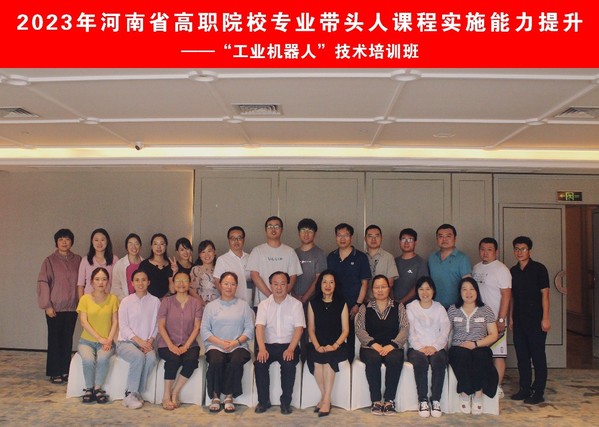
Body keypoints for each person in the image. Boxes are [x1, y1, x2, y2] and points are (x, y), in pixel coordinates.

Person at [201, 272, 255, 413]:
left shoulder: (243, 306)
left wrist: (235, 342)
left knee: (236, 360)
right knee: (216, 360)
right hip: (215, 345)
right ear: (219, 285)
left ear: (236, 286)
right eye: (226, 283)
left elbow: (249, 329)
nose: (229, 287)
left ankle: (229, 396)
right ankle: (215, 396)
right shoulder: (210, 306)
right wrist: (220, 343)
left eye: (232, 284)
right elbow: (205, 330)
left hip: (238, 345)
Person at [355, 275, 409, 416]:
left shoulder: (398, 306)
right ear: (372, 290)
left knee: (394, 359)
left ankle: (389, 401)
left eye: (383, 287)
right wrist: (373, 344)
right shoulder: (365, 307)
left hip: (392, 347)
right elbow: (359, 329)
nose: (380, 290)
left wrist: (393, 345)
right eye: (376, 287)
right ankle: (376, 401)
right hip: (370, 347)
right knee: (373, 359)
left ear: (389, 288)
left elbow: (404, 328)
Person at [254, 271, 305, 415]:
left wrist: (291, 349)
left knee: (288, 364)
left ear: (288, 285)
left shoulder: (296, 304)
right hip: (268, 345)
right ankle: (263, 401)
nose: (279, 287)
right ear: (270, 285)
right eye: (275, 284)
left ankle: (285, 403)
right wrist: (262, 348)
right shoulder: (264, 305)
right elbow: (259, 327)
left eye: (282, 284)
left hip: (289, 345)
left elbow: (299, 329)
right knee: (260, 364)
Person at [447, 277, 499, 415]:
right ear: (460, 292)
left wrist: (475, 344)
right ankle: (465, 392)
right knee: (461, 355)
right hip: (458, 347)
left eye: (472, 289)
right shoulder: (453, 309)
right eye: (464, 289)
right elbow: (445, 332)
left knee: (480, 356)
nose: (468, 292)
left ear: (477, 291)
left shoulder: (486, 309)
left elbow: (493, 334)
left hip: (480, 346)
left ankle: (478, 394)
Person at [37, 228, 82, 384]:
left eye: (67, 239)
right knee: (55, 340)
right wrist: (47, 305)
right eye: (61, 239)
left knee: (67, 340)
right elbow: (43, 283)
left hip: (72, 308)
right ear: (56, 242)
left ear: (71, 242)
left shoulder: (78, 260)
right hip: (54, 308)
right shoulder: (49, 261)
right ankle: (55, 372)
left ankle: (65, 370)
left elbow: (82, 282)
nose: (64, 242)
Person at [510, 236, 551, 405]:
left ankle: (538, 391)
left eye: (523, 249)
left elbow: (545, 295)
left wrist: (546, 318)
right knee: (522, 356)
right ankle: (524, 388)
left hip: (536, 320)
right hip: (519, 320)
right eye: (517, 249)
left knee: (538, 356)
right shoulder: (512, 271)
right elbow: (512, 297)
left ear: (530, 251)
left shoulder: (539, 269)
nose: (519, 252)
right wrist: (511, 317)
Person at [472, 237, 512, 398]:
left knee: (498, 354)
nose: (485, 252)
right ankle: (483, 384)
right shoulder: (476, 268)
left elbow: (507, 295)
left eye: (489, 249)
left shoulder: (501, 269)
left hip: (496, 319)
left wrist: (501, 319)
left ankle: (497, 386)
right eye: (482, 249)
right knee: (482, 353)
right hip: (478, 319)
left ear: (496, 251)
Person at [157, 271, 203, 410]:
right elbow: (161, 326)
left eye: (184, 281)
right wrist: (171, 345)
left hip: (190, 344)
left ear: (189, 283)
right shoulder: (166, 302)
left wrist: (186, 346)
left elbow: (197, 327)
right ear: (173, 283)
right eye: (177, 281)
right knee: (174, 359)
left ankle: (175, 392)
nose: (181, 284)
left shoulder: (196, 303)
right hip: (166, 344)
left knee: (191, 360)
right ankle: (166, 395)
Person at [306, 270, 349, 417]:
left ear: (335, 285)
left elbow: (345, 330)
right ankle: (326, 398)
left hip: (337, 345)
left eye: (331, 282)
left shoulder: (342, 303)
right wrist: (317, 346)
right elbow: (311, 329)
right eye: (324, 282)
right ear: (320, 284)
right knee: (317, 361)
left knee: (329, 359)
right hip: (317, 344)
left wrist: (335, 345)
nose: (328, 285)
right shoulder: (313, 303)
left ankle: (325, 400)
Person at [406, 276, 450, 418]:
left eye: (428, 289)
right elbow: (410, 331)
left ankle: (436, 400)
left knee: (440, 361)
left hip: (436, 347)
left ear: (433, 291)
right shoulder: (411, 307)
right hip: (416, 348)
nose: (425, 292)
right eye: (421, 289)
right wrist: (420, 347)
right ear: (417, 291)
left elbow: (445, 330)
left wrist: (435, 347)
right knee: (420, 362)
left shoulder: (439, 308)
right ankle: (423, 400)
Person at [117, 269, 161, 409]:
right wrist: (140, 341)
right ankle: (131, 394)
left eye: (143, 280)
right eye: (137, 280)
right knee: (138, 357)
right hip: (126, 342)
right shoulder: (126, 301)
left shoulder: (155, 301)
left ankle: (134, 393)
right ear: (132, 283)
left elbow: (157, 325)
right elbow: (123, 326)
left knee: (152, 358)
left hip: (147, 343)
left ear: (148, 282)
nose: (140, 283)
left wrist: (150, 341)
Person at [326, 223, 371, 362]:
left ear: (351, 237)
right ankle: (336, 364)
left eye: (346, 235)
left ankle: (350, 363)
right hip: (334, 305)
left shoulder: (361, 257)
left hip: (353, 306)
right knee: (334, 335)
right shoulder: (331, 257)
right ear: (335, 237)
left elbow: (365, 284)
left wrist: (358, 304)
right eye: (339, 235)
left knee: (351, 337)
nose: (342, 238)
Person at [76, 267, 119, 404]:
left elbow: (115, 321)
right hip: (86, 341)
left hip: (107, 341)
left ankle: (97, 388)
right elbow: (84, 322)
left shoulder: (113, 299)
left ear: (108, 282)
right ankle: (89, 388)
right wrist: (99, 338)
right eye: (97, 279)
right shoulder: (85, 299)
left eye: (104, 279)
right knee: (88, 360)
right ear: (91, 282)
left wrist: (109, 340)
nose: (101, 282)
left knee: (103, 359)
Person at [247, 216, 303, 307]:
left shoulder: (290, 251)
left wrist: (281, 296)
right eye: (270, 226)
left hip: (285, 303)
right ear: (265, 230)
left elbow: (293, 276)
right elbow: (254, 275)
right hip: (263, 302)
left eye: (277, 226)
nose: (273, 229)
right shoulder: (257, 250)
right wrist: (271, 296)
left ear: (282, 230)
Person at [428, 224, 472, 309]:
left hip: (456, 308)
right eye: (441, 236)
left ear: (455, 239)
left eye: (448, 236)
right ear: (437, 239)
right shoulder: (432, 257)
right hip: (434, 308)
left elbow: (468, 285)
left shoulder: (462, 258)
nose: (444, 239)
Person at [213, 226, 252, 305]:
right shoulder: (222, 260)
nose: (236, 241)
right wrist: (228, 300)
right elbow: (217, 283)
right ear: (228, 240)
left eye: (239, 238)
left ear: (243, 240)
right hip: (231, 304)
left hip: (249, 304)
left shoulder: (250, 258)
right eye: (232, 238)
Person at [294, 218, 327, 304]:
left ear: (315, 234)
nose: (306, 234)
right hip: (293, 300)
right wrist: (294, 296)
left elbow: (319, 278)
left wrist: (304, 298)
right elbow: (288, 277)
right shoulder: (293, 253)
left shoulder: (320, 253)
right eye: (303, 230)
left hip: (313, 300)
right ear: (298, 233)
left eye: (310, 231)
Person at [77, 228, 119, 298]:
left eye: (102, 240)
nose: (99, 243)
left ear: (107, 241)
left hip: (108, 300)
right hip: (89, 301)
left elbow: (117, 283)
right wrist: (82, 302)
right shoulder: (85, 260)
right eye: (96, 240)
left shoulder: (114, 259)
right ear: (92, 242)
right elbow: (80, 285)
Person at [394, 228, 429, 305]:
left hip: (413, 306)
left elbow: (419, 285)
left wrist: (401, 302)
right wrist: (393, 301)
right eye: (403, 239)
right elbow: (389, 283)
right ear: (399, 242)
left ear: (415, 242)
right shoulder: (394, 261)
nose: (406, 243)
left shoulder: (421, 262)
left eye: (410, 240)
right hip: (393, 305)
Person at [364, 225, 399, 301]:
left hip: (382, 301)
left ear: (382, 238)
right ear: (365, 239)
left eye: (377, 236)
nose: (373, 239)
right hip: (363, 301)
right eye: (370, 236)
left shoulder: (388, 257)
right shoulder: (360, 257)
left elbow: (390, 283)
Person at [138, 233, 174, 299]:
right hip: (148, 301)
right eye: (155, 244)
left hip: (167, 301)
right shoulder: (144, 264)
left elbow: (173, 290)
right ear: (151, 246)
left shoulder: (172, 265)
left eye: (162, 244)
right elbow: (140, 284)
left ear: (166, 246)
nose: (158, 247)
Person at [112, 233, 143, 301]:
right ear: (126, 247)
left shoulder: (145, 263)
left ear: (140, 246)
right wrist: (127, 301)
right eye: (130, 244)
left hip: (143, 301)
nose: (133, 247)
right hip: (124, 301)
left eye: (136, 244)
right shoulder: (119, 264)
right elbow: (115, 287)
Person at [190, 240, 219, 304]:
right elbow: (192, 291)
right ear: (199, 255)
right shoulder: (196, 270)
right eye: (203, 252)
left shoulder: (220, 269)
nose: (207, 255)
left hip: (219, 306)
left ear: (214, 252)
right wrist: (204, 304)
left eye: (209, 251)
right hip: (201, 306)